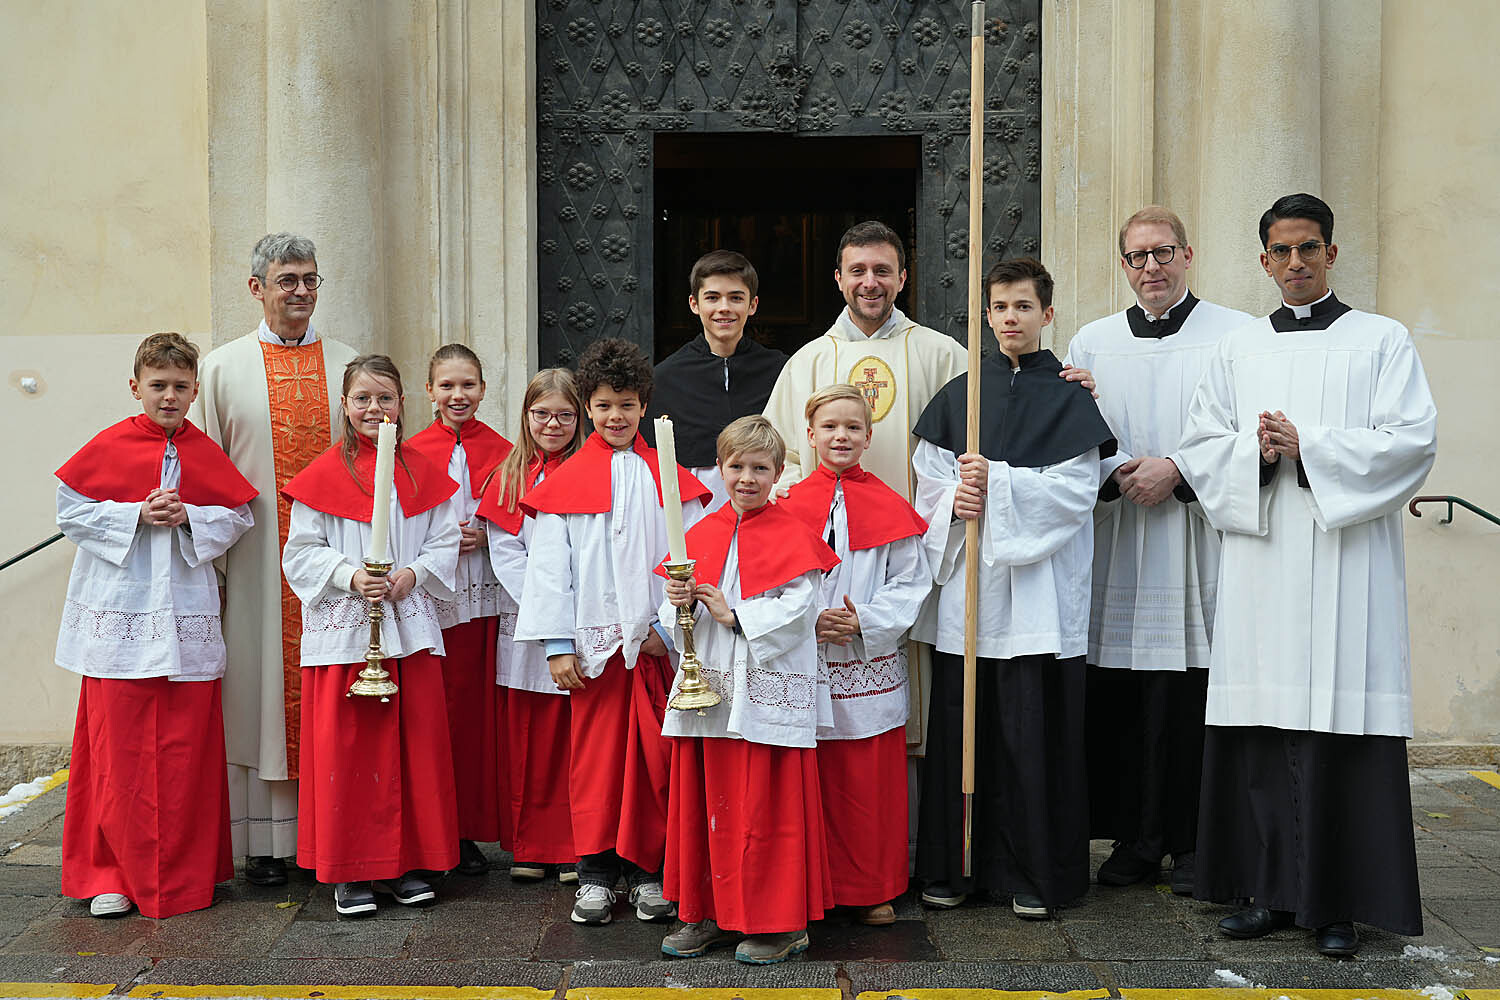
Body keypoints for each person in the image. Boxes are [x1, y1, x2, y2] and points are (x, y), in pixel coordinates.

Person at [1175, 193, 1437, 957]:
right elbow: (1200, 444)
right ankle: (1267, 893)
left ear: (1331, 253)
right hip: (1262, 569)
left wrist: (1309, 446)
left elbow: (1412, 443)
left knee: (1340, 734)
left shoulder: (1381, 340)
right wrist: (1254, 454)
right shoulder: (1238, 350)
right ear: (1264, 261)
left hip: (1347, 566)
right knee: (1263, 731)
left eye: (1310, 248)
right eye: (1282, 251)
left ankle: (1336, 907)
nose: (1297, 262)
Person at [911, 257, 1116, 919]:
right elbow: (928, 482)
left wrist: (996, 483)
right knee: (961, 730)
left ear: (1046, 314)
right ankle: (955, 867)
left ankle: (1036, 872)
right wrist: (954, 501)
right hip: (970, 593)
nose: (1010, 318)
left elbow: (1076, 492)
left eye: (1023, 306)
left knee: (1034, 736)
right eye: (1000, 307)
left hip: (1039, 595)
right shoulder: (961, 395)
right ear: (985, 316)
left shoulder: (1070, 397)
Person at [1063, 206, 1252, 896]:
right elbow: (1074, 431)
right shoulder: (1092, 341)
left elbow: (1246, 431)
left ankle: (1197, 840)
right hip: (1121, 537)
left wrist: (1179, 469)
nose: (1152, 267)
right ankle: (1135, 838)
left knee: (1193, 691)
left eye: (1164, 252)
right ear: (1124, 265)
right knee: (1125, 692)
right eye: (1138, 256)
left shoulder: (1236, 335)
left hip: (1197, 534)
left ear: (1187, 255)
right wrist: (1116, 470)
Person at [55, 332, 256, 918]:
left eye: (180, 387)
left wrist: (190, 515)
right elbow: (71, 511)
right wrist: (135, 514)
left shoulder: (204, 451)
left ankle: (185, 875)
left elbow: (238, 514)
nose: (169, 396)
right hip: (120, 612)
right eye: (158, 385)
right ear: (135, 386)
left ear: (195, 391)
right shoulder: (110, 443)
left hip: (185, 612)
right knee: (115, 754)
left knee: (185, 752)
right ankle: (110, 875)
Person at [514, 338, 711, 926]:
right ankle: (596, 872)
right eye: (603, 406)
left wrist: (667, 632)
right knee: (595, 764)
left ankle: (649, 871)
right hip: (593, 651)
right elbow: (550, 568)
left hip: (653, 649)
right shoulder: (568, 482)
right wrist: (557, 645)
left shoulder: (667, 477)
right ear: (588, 408)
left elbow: (692, 556)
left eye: (626, 405)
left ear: (644, 406)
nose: (615, 416)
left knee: (656, 761)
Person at [192, 233, 359, 886]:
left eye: (310, 279)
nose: (301, 291)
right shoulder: (221, 369)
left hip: (338, 564)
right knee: (258, 695)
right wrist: (212, 566)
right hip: (256, 560)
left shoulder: (347, 364)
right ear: (256, 287)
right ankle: (264, 843)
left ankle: (335, 833)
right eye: (287, 279)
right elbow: (205, 472)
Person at [280, 354, 463, 917]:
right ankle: (351, 869)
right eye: (362, 398)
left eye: (385, 397)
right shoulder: (320, 477)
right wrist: (350, 576)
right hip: (346, 635)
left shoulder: (425, 475)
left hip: (407, 630)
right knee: (350, 751)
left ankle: (409, 862)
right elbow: (302, 553)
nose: (373, 408)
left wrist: (413, 574)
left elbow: (444, 540)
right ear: (344, 404)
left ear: (403, 404)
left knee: (413, 748)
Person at [657, 416, 839, 965]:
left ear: (778, 473)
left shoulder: (794, 535)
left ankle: (779, 923)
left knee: (767, 810)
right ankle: (707, 912)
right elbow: (672, 618)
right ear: (720, 468)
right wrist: (678, 603)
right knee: (708, 803)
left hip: (767, 691)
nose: (747, 478)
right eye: (736, 466)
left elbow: (799, 609)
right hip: (712, 690)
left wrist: (733, 614)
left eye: (760, 468)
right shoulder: (701, 533)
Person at [777, 385, 931, 926]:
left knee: (866, 785)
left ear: (869, 436)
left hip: (865, 663)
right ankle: (809, 887)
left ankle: (871, 888)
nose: (840, 436)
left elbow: (911, 582)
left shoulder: (890, 505)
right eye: (830, 427)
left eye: (852, 427)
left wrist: (862, 619)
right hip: (806, 656)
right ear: (810, 435)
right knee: (809, 779)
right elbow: (770, 580)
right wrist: (809, 621)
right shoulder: (785, 505)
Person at [405, 345, 513, 877]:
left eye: (468, 385)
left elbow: (524, 518)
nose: (457, 395)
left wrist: (487, 536)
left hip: (487, 595)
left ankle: (470, 828)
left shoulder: (506, 451)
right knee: (438, 714)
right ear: (429, 390)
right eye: (446, 385)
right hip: (436, 598)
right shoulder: (409, 453)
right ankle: (437, 829)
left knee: (478, 716)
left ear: (484, 390)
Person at [477, 368, 586, 884]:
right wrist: (548, 608)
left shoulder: (592, 470)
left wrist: (574, 609)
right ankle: (532, 844)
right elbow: (506, 554)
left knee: (574, 738)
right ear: (525, 416)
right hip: (528, 622)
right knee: (529, 738)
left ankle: (574, 845)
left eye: (565, 415)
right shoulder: (509, 476)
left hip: (583, 620)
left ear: (580, 418)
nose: (553, 424)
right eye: (541, 414)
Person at [644, 250, 787, 512]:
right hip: (694, 509)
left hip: (766, 504)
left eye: (736, 298)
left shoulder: (782, 371)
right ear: (694, 304)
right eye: (712, 297)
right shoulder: (663, 378)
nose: (724, 308)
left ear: (752, 305)